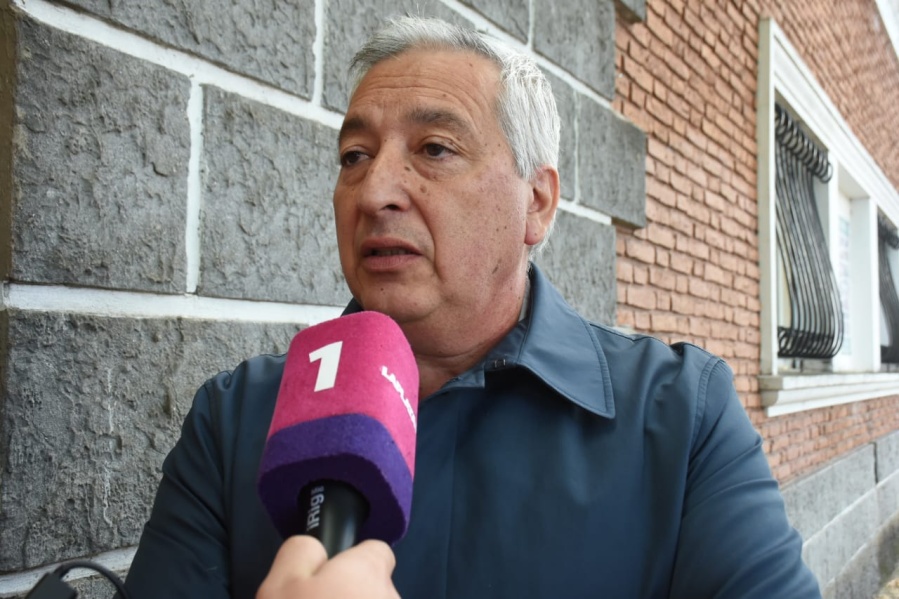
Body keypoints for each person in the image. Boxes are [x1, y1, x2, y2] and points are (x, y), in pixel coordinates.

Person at [122, 16, 822, 599]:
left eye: (434, 148)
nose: (375, 192)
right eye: (355, 155)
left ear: (536, 203)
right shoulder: (235, 417)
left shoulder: (681, 417)